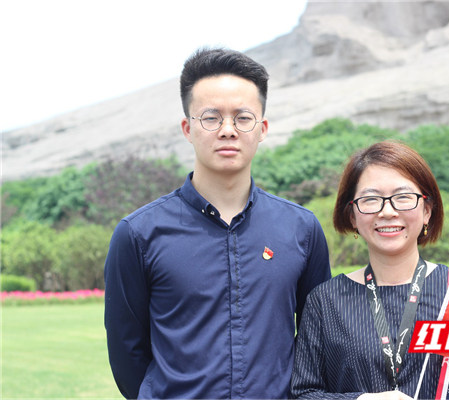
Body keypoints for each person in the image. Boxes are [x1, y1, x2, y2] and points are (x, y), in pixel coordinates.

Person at [104, 48, 331, 399]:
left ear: (262, 129)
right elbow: (126, 353)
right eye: (211, 118)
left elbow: (317, 340)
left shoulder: (301, 229)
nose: (228, 130)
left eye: (243, 118)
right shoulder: (138, 234)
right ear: (188, 128)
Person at [290, 141, 449, 399]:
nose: (387, 211)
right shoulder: (324, 301)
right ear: (352, 215)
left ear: (427, 210)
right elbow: (302, 394)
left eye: (403, 197)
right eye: (371, 199)